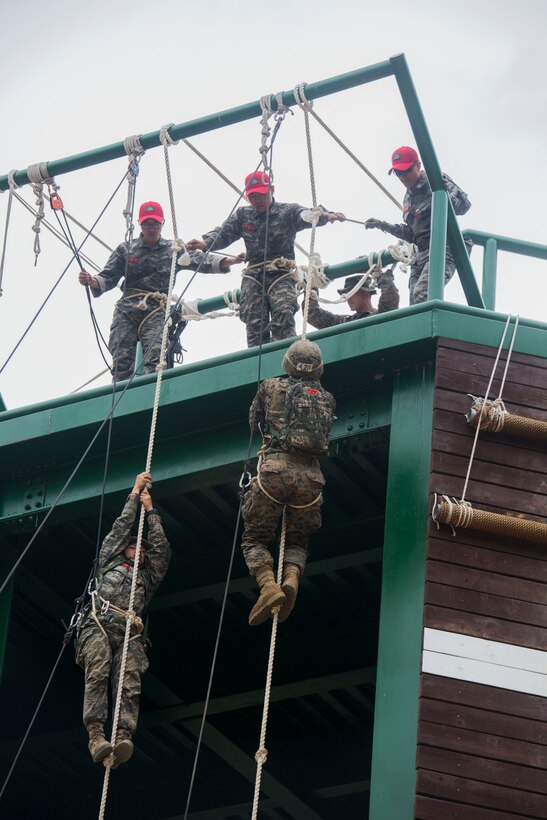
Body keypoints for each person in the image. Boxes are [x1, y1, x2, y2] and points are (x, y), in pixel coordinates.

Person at [78, 202, 242, 381]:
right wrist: (91, 281)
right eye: (147, 224)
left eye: (155, 224)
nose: (151, 228)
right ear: (140, 224)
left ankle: (149, 399)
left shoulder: (174, 250)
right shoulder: (126, 249)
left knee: (154, 358)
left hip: (155, 310)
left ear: (162, 224)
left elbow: (201, 261)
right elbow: (108, 276)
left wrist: (230, 261)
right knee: (121, 361)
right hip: (127, 309)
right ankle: (122, 402)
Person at [75, 471, 170, 767]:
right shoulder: (109, 560)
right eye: (134, 546)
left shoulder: (147, 577)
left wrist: (152, 511)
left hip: (130, 633)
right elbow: (120, 529)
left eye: (142, 549)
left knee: (129, 679)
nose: (139, 551)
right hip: (99, 625)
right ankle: (96, 736)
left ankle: (123, 733)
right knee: (99, 670)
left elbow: (161, 551)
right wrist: (133, 494)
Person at [186, 172, 346, 348]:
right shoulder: (243, 215)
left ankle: (286, 358)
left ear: (272, 190)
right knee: (254, 322)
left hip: (280, 272)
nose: (257, 200)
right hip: (254, 275)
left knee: (284, 313)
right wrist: (205, 242)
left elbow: (306, 215)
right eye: (253, 196)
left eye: (261, 194)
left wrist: (326, 215)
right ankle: (257, 365)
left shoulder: (287, 211)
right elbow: (223, 233)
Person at [241, 339, 335, 626]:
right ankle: (291, 578)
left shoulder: (270, 386)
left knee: (254, 537)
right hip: (310, 479)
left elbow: (253, 422)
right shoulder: (327, 398)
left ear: (288, 363)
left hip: (275, 473)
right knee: (297, 538)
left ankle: (268, 586)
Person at [365, 146, 471, 305]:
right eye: (398, 173)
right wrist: (382, 225)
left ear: (418, 166)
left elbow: (464, 206)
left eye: (406, 171)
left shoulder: (435, 180)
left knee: (423, 294)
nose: (402, 177)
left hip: (443, 247)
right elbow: (411, 233)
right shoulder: (408, 196)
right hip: (421, 253)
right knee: (415, 303)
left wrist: (445, 191)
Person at [304, 268, 399, 330]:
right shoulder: (345, 322)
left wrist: (383, 278)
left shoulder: (380, 316)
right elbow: (313, 314)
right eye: (346, 294)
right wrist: (312, 285)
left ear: (365, 293)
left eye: (352, 293)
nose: (348, 298)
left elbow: (389, 301)